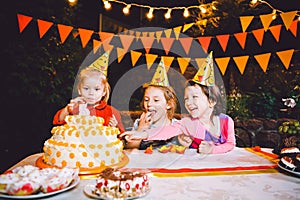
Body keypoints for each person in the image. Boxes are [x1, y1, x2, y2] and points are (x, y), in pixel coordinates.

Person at [120, 52, 235, 154]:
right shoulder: (188, 123)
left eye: (194, 97)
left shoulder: (226, 121)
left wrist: (212, 150)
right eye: (186, 99)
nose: (189, 103)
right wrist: (142, 134)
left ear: (211, 101)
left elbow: (230, 144)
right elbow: (166, 131)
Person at [53, 52, 125, 133]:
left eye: (97, 89)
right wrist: (67, 109)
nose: (91, 93)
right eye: (86, 88)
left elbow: (121, 135)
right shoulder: (76, 108)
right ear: (79, 90)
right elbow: (58, 122)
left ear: (104, 92)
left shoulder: (111, 112)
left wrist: (115, 127)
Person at [124, 59, 180, 149]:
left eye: (156, 100)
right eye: (146, 100)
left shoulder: (176, 126)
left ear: (168, 104)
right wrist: (141, 129)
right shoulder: (139, 124)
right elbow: (130, 150)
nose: (149, 104)